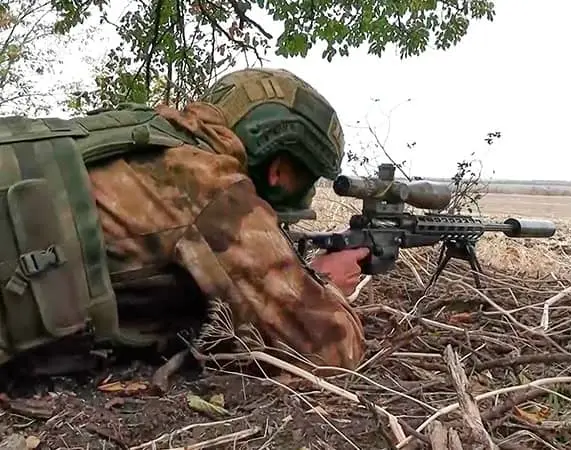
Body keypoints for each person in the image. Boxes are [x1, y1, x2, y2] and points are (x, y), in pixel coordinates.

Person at [0, 67, 368, 377]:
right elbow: (331, 351)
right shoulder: (211, 187)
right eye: (303, 178)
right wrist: (327, 281)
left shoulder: (146, 137)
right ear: (278, 169)